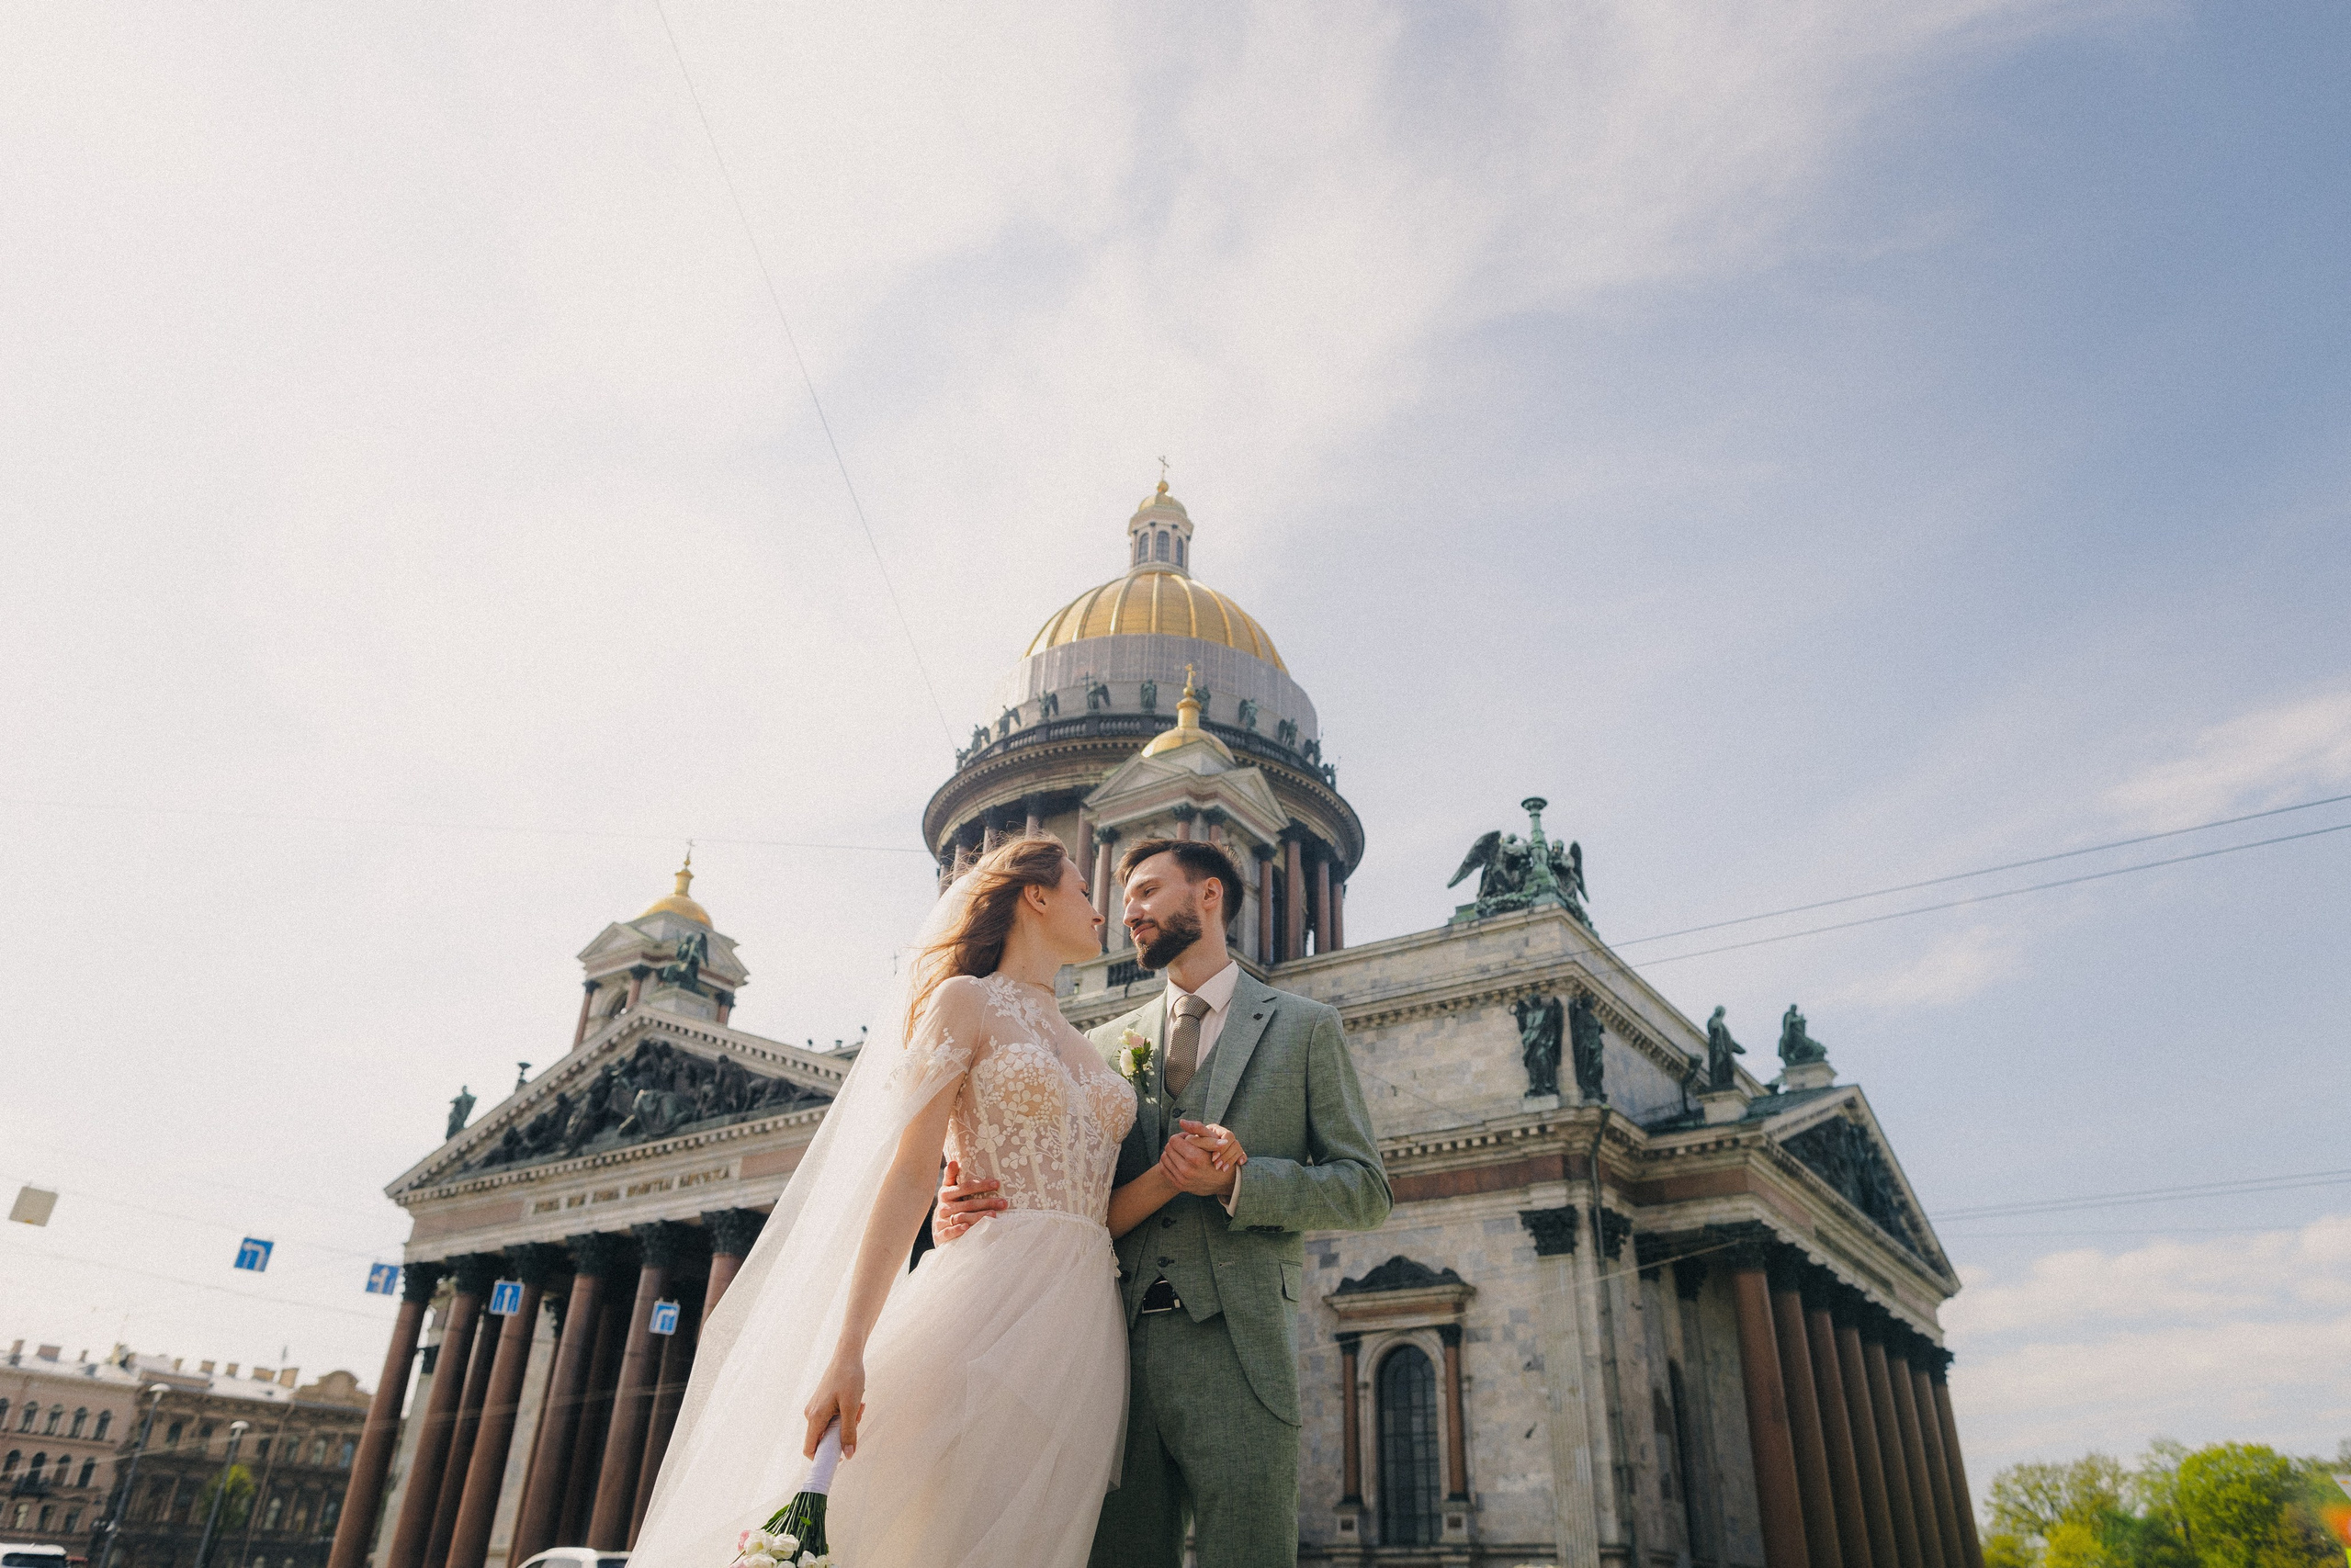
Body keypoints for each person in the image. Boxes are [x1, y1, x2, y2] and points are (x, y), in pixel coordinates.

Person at [630, 835, 1237, 1568]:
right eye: (1083, 889)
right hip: (984, 1297)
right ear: (1034, 896)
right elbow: (910, 1176)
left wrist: (1177, 1171)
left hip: (1083, 1326)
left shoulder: (1090, 1045)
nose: (1101, 908)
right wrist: (847, 1348)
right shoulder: (963, 1000)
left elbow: (1091, 1209)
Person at [936, 838, 1394, 1568]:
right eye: (1122, 900)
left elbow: (1366, 1190)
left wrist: (1240, 1182)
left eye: (1148, 892)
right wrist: (958, 1200)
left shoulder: (1305, 1027)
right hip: (1108, 1351)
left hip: (1239, 1352)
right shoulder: (1100, 1045)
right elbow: (1059, 1178)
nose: (1129, 915)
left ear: (1208, 895)